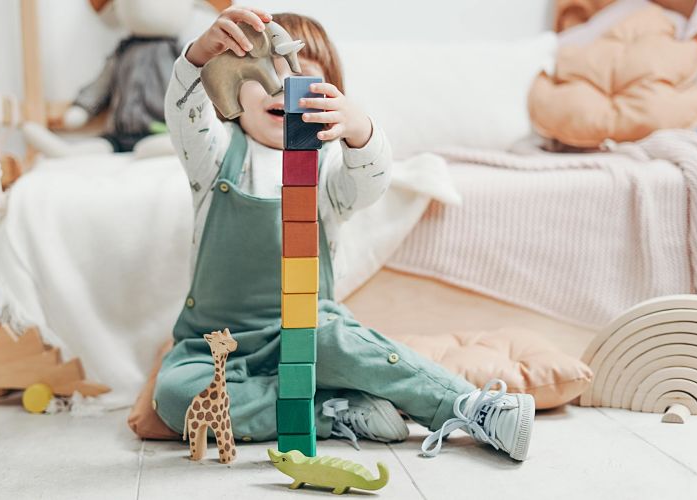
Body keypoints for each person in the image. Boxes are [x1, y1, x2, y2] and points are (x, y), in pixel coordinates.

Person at [153, 6, 534, 460]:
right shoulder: (214, 155)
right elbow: (184, 110)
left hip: (306, 332)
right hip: (214, 345)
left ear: (330, 99)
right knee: (177, 398)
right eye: (265, 70)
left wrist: (359, 130)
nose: (282, 85)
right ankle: (333, 411)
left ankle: (472, 406)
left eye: (300, 77)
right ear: (232, 82)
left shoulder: (329, 164)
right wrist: (199, 56)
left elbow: (370, 182)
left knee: (340, 341)